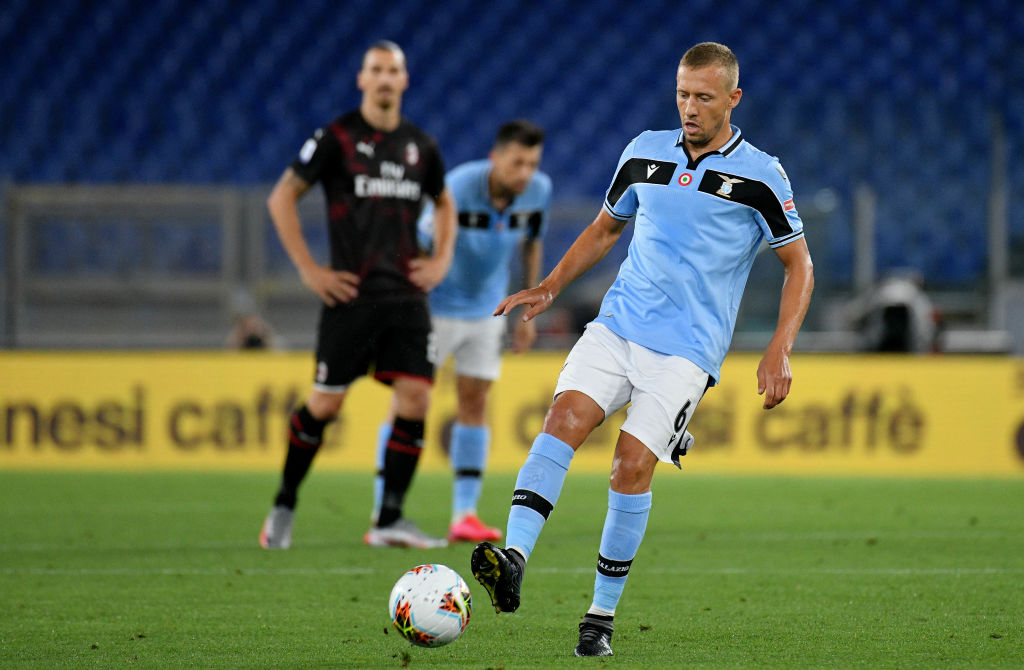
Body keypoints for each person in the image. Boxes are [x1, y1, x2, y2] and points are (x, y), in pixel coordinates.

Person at [469, 42, 814, 657]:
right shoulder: (643, 151)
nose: (689, 107)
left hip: (686, 353)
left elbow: (799, 264)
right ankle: (514, 556)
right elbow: (606, 228)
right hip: (618, 326)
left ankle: (598, 619)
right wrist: (550, 285)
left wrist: (779, 347)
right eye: (682, 94)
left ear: (733, 99)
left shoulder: (762, 175)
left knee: (630, 465)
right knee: (562, 420)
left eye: (704, 97)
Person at [258, 40, 456, 550]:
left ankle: (389, 518)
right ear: (362, 80)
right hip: (350, 295)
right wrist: (308, 269)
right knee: (324, 404)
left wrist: (442, 259)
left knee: (418, 397)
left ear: (405, 81)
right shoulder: (336, 138)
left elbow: (445, 201)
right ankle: (284, 503)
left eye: (394, 70)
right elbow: (282, 196)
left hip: (406, 296)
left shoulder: (421, 146)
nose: (386, 78)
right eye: (377, 70)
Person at [370, 120, 552, 543]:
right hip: (433, 309)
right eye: (517, 162)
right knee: (409, 400)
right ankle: (384, 510)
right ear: (496, 158)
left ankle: (464, 514)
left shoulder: (539, 191)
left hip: (486, 311)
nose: (525, 172)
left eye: (531, 163)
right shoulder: (456, 186)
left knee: (475, 401)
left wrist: (530, 308)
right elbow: (416, 242)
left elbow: (531, 242)